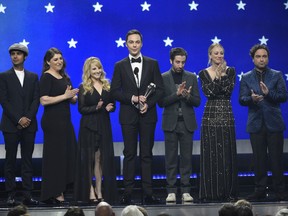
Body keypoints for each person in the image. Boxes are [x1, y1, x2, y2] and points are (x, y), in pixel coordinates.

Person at [111, 29, 164, 205]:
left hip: (148, 115)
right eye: (131, 42)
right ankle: (127, 193)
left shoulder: (152, 63)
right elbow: (115, 91)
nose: (134, 45)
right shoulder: (119, 65)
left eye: (137, 42)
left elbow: (160, 90)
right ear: (126, 44)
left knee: (147, 154)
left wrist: (148, 103)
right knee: (129, 154)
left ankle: (148, 193)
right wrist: (132, 98)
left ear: (141, 43)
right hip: (128, 116)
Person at [239, 44, 288, 201]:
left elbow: (283, 96)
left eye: (264, 56)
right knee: (259, 160)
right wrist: (252, 99)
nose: (262, 59)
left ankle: (280, 190)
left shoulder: (277, 75)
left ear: (268, 58)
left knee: (276, 159)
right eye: (258, 56)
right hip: (256, 123)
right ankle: (260, 190)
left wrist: (269, 93)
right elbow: (242, 99)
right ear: (253, 59)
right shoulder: (246, 77)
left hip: (274, 123)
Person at [158, 47, 200, 203]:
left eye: (183, 62)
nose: (180, 65)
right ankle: (171, 191)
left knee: (186, 158)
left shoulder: (191, 77)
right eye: (177, 62)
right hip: (170, 123)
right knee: (170, 158)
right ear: (171, 61)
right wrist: (176, 95)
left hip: (187, 123)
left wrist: (187, 96)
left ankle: (186, 190)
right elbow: (161, 102)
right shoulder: (163, 78)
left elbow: (197, 101)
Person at [0, 43, 40, 206]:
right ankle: (10, 194)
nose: (15, 56)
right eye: (12, 54)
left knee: (27, 160)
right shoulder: (4, 76)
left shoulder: (33, 77)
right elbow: (4, 101)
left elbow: (35, 99)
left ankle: (27, 194)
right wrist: (19, 119)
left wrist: (27, 118)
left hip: (29, 125)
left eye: (18, 53)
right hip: (11, 125)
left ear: (25, 56)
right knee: (10, 160)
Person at [198, 43, 238, 202]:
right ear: (210, 55)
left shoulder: (231, 71)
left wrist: (223, 75)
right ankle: (211, 193)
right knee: (211, 155)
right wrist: (218, 76)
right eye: (216, 53)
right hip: (210, 117)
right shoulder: (203, 73)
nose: (219, 56)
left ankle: (228, 192)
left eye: (221, 53)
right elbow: (210, 92)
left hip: (227, 116)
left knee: (227, 155)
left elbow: (228, 91)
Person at [74, 57, 117, 204]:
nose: (97, 71)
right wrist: (96, 108)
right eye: (94, 68)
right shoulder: (83, 87)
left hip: (103, 125)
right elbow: (81, 109)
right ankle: (89, 189)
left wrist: (108, 108)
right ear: (88, 71)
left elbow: (113, 104)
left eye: (99, 68)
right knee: (88, 160)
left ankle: (99, 189)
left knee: (99, 160)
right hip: (88, 126)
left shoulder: (107, 85)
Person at [39, 47, 79, 204]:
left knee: (66, 155)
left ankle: (63, 188)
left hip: (65, 121)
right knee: (55, 157)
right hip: (52, 122)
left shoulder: (65, 77)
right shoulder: (46, 77)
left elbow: (70, 99)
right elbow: (44, 100)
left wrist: (72, 97)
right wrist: (65, 96)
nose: (59, 61)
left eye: (60, 58)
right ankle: (55, 192)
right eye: (55, 59)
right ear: (48, 62)